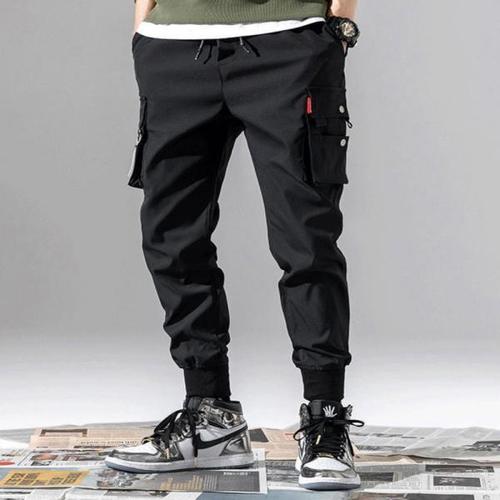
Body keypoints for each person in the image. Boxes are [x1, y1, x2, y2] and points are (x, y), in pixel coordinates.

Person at [105, 0, 364, 491]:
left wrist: (337, 22)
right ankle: (209, 414)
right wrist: (144, 25)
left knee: (305, 237)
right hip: (172, 46)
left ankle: (325, 416)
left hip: (290, 41)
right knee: (170, 235)